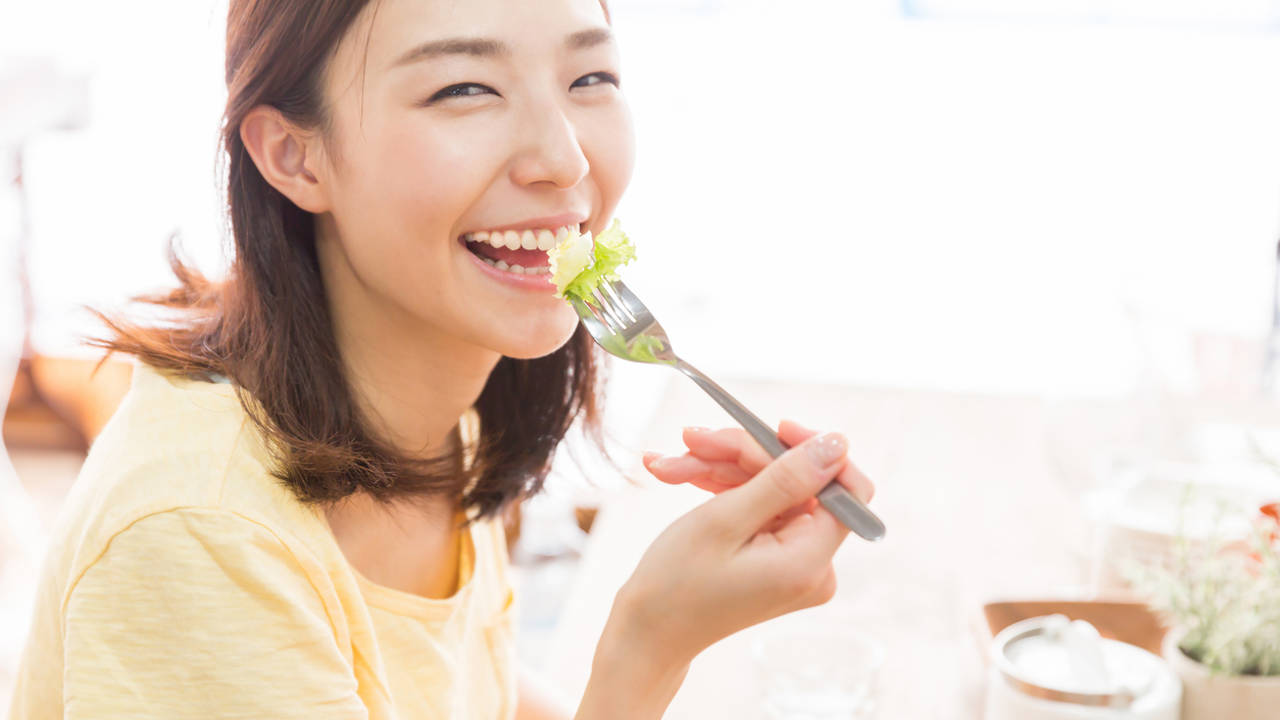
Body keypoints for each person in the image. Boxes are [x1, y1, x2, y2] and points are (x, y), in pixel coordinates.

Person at [6, 0, 875, 717]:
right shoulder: (198, 538)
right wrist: (647, 645)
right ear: (293, 154)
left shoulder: (427, 381)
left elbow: (468, 694)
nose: (564, 158)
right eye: (465, 88)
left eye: (589, 77)